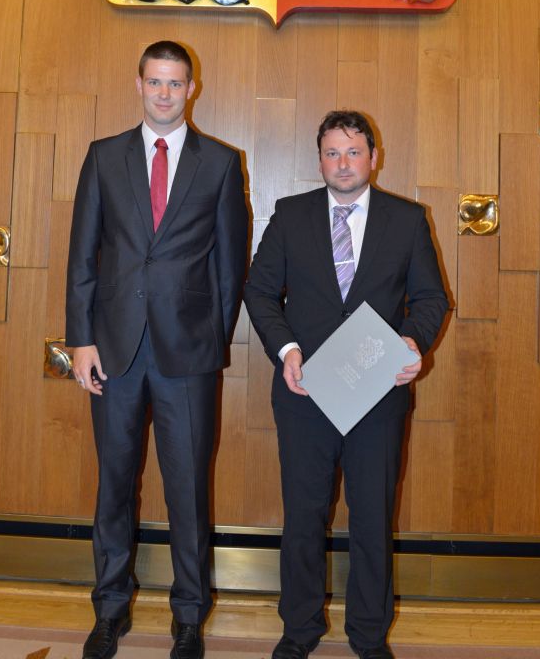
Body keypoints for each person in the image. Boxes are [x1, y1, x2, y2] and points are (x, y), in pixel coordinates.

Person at [66, 41, 249, 659]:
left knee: (188, 490)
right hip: (113, 351)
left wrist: (211, 341)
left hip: (188, 356)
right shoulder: (103, 156)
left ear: (192, 88)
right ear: (139, 84)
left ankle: (189, 616)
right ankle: (109, 610)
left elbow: (230, 265)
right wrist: (81, 339)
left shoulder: (220, 163)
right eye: (155, 82)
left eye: (176, 83)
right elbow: (83, 256)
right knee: (114, 484)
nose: (165, 94)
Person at [243, 110, 448, 659]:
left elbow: (431, 298)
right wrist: (286, 350)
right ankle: (299, 630)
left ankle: (369, 636)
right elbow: (259, 292)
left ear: (373, 158)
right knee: (303, 518)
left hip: (377, 394)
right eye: (332, 153)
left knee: (373, 520)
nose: (343, 163)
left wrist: (413, 343)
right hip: (305, 393)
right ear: (320, 160)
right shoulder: (291, 215)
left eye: (353, 152)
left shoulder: (407, 220)